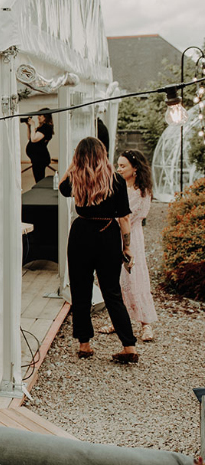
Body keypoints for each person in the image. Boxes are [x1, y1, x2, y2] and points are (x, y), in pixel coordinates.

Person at [59, 137, 138, 363]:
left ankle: (84, 344)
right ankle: (129, 346)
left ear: (79, 157)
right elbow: (123, 217)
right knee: (112, 292)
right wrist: (128, 246)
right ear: (103, 154)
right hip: (108, 234)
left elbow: (62, 187)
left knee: (81, 290)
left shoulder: (75, 178)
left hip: (81, 234)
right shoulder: (117, 180)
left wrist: (73, 164)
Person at [101, 150, 157, 341]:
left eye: (123, 166)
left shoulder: (142, 192)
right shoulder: (117, 186)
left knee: (136, 278)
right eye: (118, 165)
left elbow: (132, 216)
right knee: (115, 279)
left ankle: (146, 324)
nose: (119, 169)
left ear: (135, 169)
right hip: (113, 235)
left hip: (132, 236)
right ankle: (117, 321)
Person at [25, 109, 54, 184]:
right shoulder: (41, 128)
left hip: (40, 159)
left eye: (40, 115)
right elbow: (30, 138)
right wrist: (29, 126)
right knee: (38, 179)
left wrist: (33, 125)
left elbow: (34, 139)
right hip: (36, 159)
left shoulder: (46, 128)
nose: (38, 117)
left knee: (39, 180)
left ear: (45, 117)